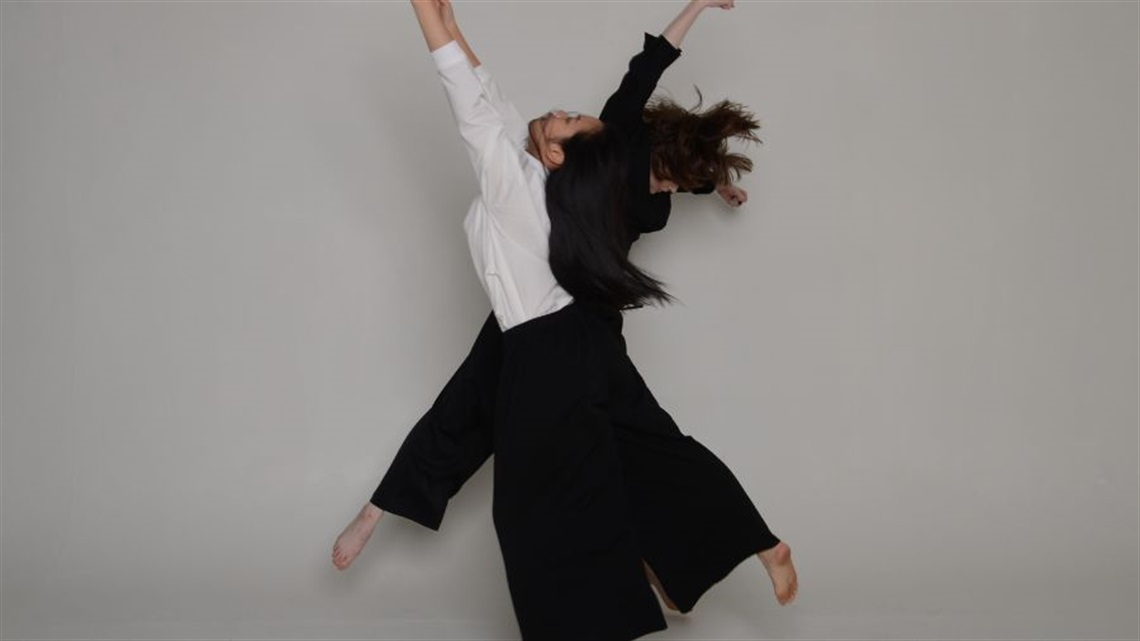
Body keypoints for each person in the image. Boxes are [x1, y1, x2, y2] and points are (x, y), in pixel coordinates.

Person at [335, 0, 797, 634]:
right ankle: (728, 552)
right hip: (579, 335)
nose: (559, 110)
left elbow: (465, 94)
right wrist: (447, 21)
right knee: (631, 449)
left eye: (567, 119)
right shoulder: (541, 174)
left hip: (551, 346)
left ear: (560, 155)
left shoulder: (514, 179)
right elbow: (485, 90)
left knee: (538, 499)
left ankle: (630, 591)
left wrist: (428, 16)